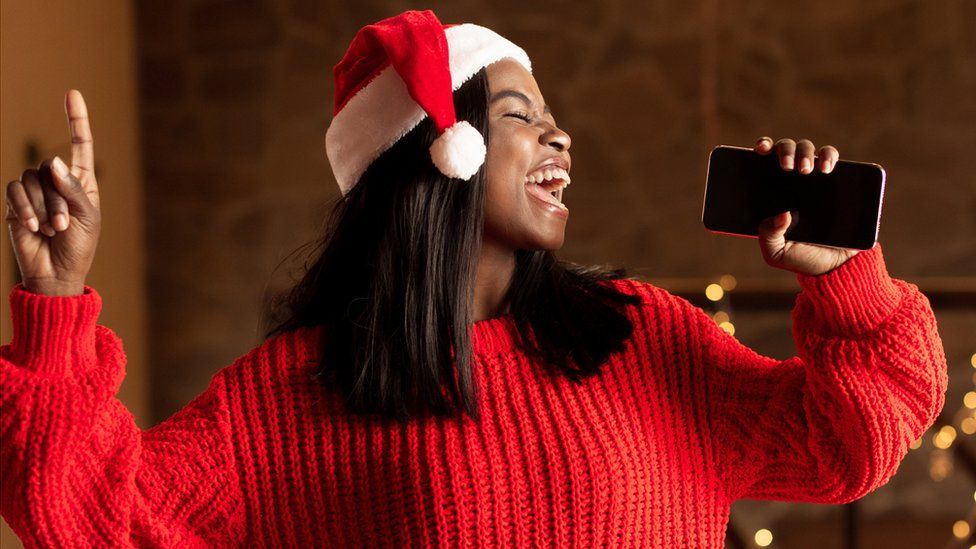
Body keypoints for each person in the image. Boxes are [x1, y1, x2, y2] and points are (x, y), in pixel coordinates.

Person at [0, 9, 948, 548]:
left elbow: (851, 439)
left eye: (552, 117)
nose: (559, 136)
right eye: (522, 116)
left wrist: (848, 278)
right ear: (440, 152)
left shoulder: (638, 336)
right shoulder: (294, 398)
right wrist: (52, 310)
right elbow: (95, 516)